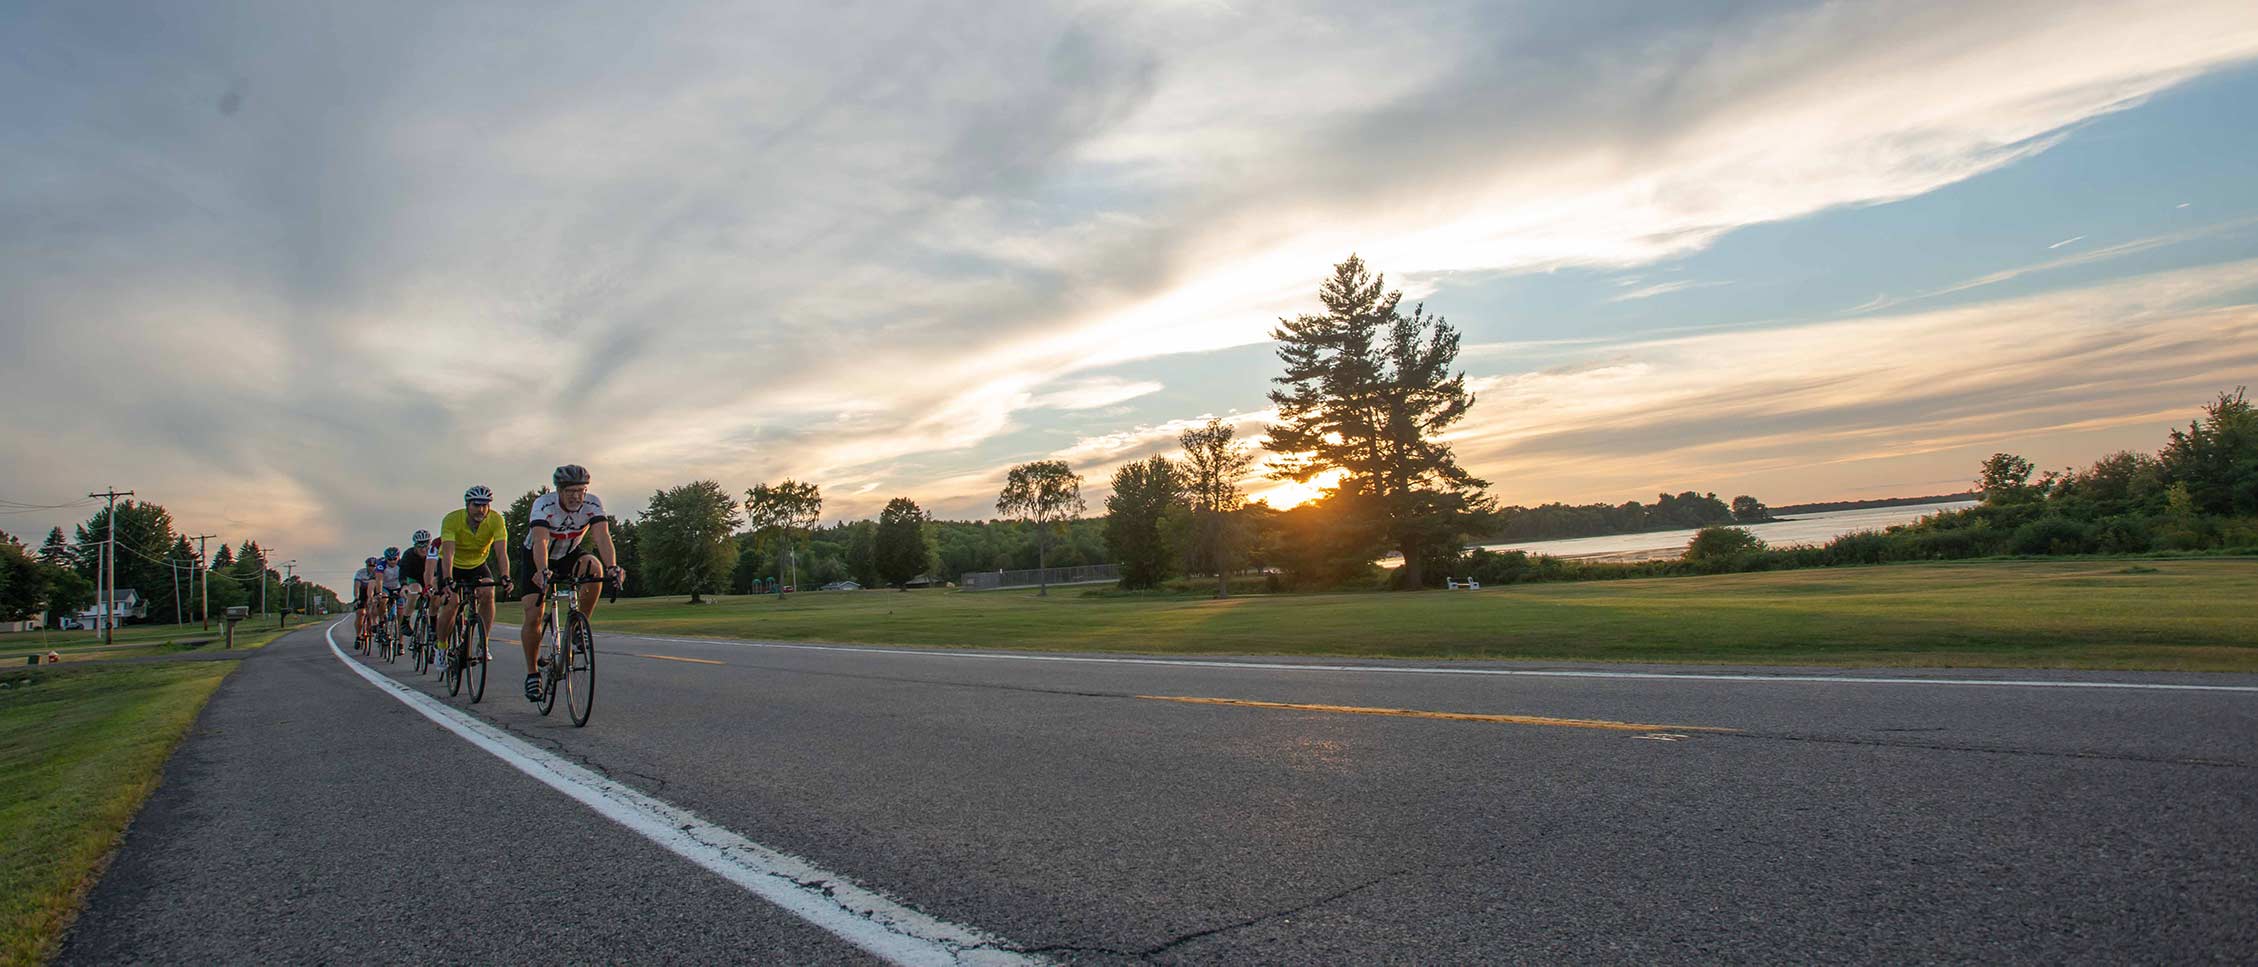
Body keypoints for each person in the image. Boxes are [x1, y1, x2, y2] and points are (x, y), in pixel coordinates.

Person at [516, 464, 626, 702]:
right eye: (571, 491)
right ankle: (532, 674)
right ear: (559, 490)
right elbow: (540, 541)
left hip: (569, 554)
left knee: (594, 568)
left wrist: (612, 568)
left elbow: (602, 536)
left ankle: (578, 627)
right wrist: (542, 571)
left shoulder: (592, 504)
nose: (577, 496)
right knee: (534, 614)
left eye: (581, 490)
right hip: (537, 556)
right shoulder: (543, 505)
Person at [436, 486, 511, 666]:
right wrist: (447, 579)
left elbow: (501, 552)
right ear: (467, 505)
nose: (481, 510)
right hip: (453, 565)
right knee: (452, 603)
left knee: (488, 593)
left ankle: (482, 644)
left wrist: (506, 575)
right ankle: (441, 647)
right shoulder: (452, 520)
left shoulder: (496, 520)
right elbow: (448, 553)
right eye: (477, 505)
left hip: (477, 564)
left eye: (485, 505)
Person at [396, 530, 435, 643]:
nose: (423, 549)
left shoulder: (435, 553)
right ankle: (405, 621)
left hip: (430, 579)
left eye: (426, 545)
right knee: (415, 591)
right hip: (414, 579)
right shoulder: (409, 554)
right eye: (420, 545)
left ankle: (433, 624)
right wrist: (403, 586)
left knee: (435, 594)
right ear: (415, 545)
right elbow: (403, 572)